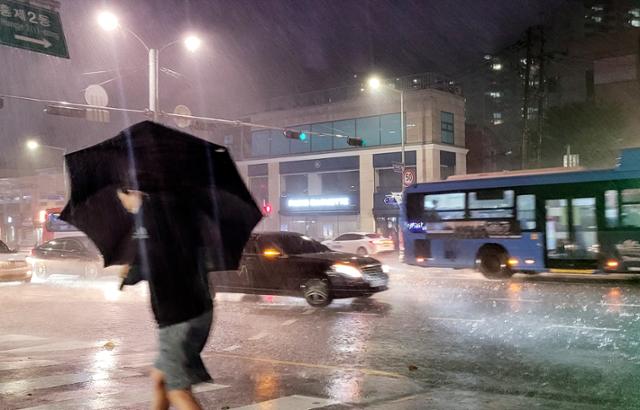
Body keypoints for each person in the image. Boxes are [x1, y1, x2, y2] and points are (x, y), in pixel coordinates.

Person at [117, 188, 213, 410]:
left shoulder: (148, 223)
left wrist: (127, 273)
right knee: (161, 379)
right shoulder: (172, 213)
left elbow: (149, 265)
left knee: (177, 389)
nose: (122, 204)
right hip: (198, 308)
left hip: (177, 316)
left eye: (121, 198)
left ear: (131, 191)